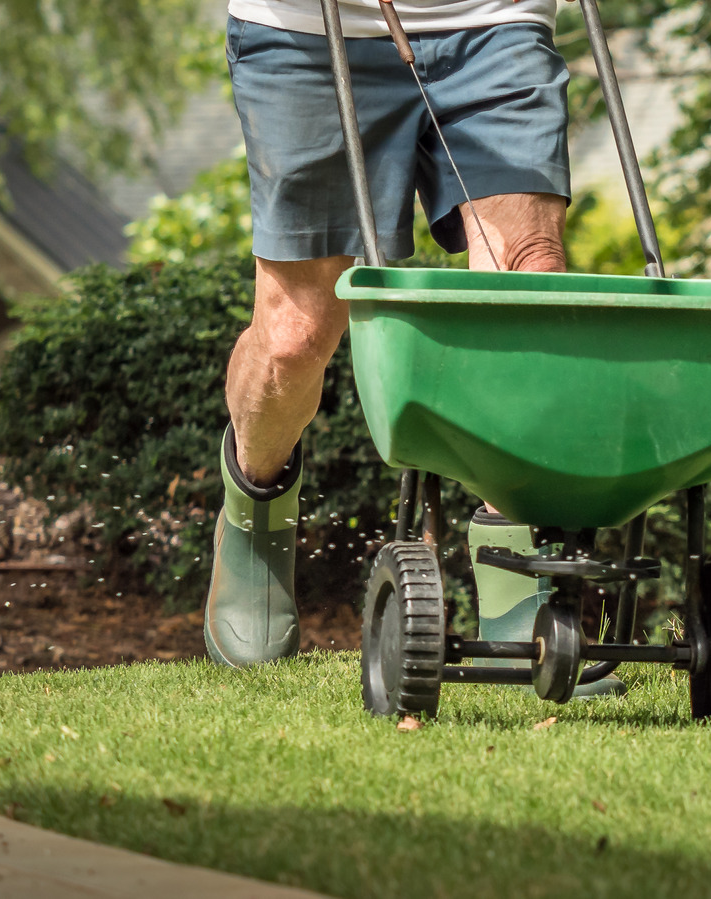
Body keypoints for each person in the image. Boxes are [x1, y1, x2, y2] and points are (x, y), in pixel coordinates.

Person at [205, 0, 623, 696]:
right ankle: (255, 509)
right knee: (294, 338)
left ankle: (517, 565)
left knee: (529, 278)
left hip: (495, 20)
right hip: (309, 31)